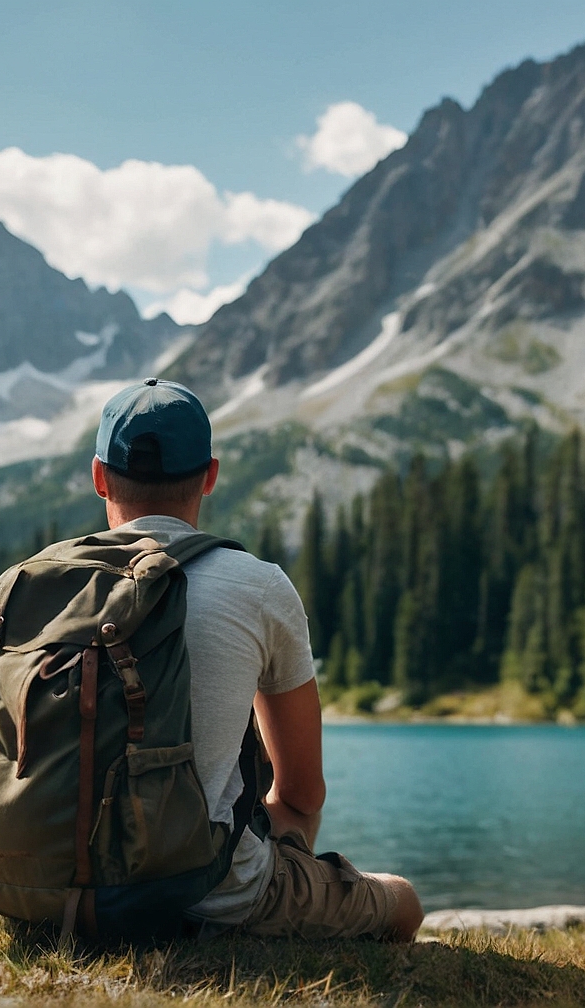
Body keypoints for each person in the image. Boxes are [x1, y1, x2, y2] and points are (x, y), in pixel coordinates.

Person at [90, 377, 424, 942]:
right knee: (404, 902)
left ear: (99, 477)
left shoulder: (31, 585)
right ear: (211, 476)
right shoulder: (257, 586)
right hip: (205, 890)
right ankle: (247, 911)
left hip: (42, 888)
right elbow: (301, 791)